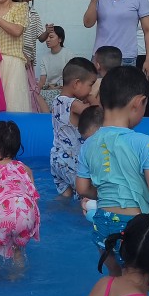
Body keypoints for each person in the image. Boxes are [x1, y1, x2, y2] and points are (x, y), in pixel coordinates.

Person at [75, 66, 149, 274]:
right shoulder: (143, 142)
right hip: (135, 227)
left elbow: (82, 188)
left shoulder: (88, 144)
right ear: (139, 102)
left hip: (102, 223)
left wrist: (107, 192)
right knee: (141, 277)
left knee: (116, 277)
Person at [0, 120, 40, 280]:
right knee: (17, 249)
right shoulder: (25, 169)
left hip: (1, 214)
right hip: (27, 215)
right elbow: (33, 196)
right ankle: (16, 277)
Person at [50, 58, 97, 199]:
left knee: (65, 197)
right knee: (86, 195)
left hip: (57, 159)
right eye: (90, 85)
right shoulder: (74, 105)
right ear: (76, 83)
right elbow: (96, 115)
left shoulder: (56, 100)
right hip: (72, 161)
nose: (91, 90)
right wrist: (92, 99)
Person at [20, 0, 46, 111]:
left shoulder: (34, 13)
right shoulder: (16, 11)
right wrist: (22, 55)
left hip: (30, 60)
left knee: (30, 90)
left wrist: (48, 31)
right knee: (22, 90)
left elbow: (41, 37)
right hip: (19, 57)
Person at [38, 24, 67, 110]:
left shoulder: (68, 54)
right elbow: (42, 81)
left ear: (60, 39)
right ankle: (47, 117)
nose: (47, 40)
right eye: (47, 37)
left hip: (63, 90)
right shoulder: (44, 58)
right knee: (35, 96)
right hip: (48, 89)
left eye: (51, 37)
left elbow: (71, 79)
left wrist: (58, 86)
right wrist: (36, 90)